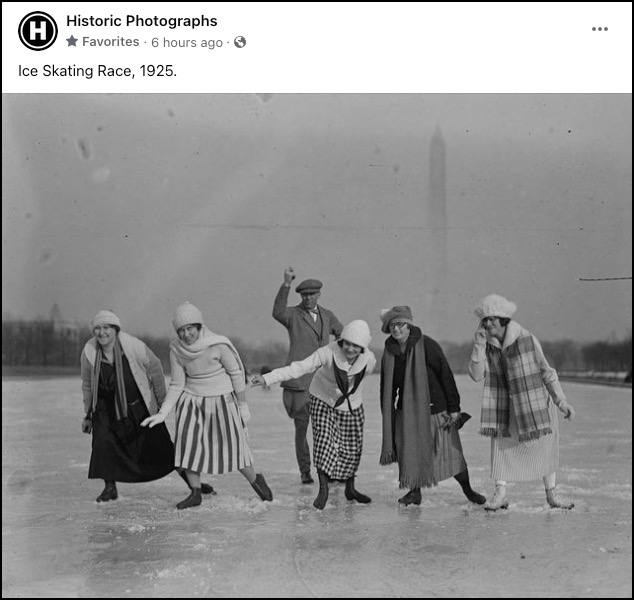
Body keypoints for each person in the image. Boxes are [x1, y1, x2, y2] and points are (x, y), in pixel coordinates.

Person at [141, 302, 273, 509]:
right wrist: (163, 412)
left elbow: (236, 374)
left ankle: (256, 481)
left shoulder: (218, 344)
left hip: (222, 401)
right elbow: (177, 384)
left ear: (199, 326)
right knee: (189, 447)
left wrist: (242, 405)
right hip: (191, 402)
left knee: (234, 447)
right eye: (181, 330)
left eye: (190, 328)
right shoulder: (176, 349)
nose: (186, 334)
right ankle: (195, 492)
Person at [80, 310, 214, 502]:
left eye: (106, 327)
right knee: (103, 444)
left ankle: (194, 485)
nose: (102, 333)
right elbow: (87, 383)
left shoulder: (133, 346)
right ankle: (110, 488)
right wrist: (88, 414)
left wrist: (161, 402)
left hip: (137, 406)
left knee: (163, 447)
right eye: (98, 328)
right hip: (104, 410)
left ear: (116, 329)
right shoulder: (89, 352)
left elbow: (156, 368)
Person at [252, 320, 376, 509]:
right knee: (324, 441)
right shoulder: (328, 352)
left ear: (363, 348)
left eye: (355, 346)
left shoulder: (369, 360)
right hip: (322, 396)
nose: (350, 349)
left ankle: (350, 488)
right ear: (342, 341)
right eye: (347, 343)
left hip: (350, 402)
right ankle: (323, 489)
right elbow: (299, 367)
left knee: (352, 446)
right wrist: (267, 378)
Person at [468, 294, 576, 511]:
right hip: (504, 407)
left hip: (535, 405)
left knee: (544, 448)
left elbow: (547, 372)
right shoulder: (486, 344)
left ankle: (552, 494)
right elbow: (476, 375)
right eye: (484, 320)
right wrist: (478, 345)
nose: (487, 324)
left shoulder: (526, 338)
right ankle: (500, 493)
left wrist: (561, 401)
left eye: (491, 319)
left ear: (503, 319)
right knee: (500, 448)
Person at [379, 306, 486, 507]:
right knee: (410, 455)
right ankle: (414, 493)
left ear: (409, 325)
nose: (396, 329)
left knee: (450, 455)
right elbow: (387, 387)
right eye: (392, 325)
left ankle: (468, 490)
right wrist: (389, 416)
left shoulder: (426, 345)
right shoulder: (389, 353)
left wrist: (454, 408)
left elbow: (445, 374)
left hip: (436, 409)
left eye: (401, 324)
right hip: (407, 413)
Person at [272, 267, 344, 484]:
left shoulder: (327, 315)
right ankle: (305, 471)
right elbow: (277, 312)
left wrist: (339, 354)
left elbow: (341, 332)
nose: (308, 298)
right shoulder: (293, 315)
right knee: (302, 429)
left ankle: (329, 470)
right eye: (304, 295)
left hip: (322, 382)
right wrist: (286, 284)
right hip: (299, 383)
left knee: (326, 429)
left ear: (319, 294)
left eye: (312, 294)